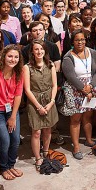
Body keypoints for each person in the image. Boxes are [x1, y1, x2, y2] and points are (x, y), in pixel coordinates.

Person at [61, 29, 96, 159]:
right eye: (77, 40)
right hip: (76, 90)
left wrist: (90, 86)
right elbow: (70, 76)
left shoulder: (93, 53)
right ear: (73, 41)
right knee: (76, 119)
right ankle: (76, 147)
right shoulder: (68, 56)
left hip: (91, 87)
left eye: (82, 39)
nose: (80, 42)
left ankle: (88, 140)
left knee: (88, 116)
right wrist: (83, 89)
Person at [0, 45, 24, 180]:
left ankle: (11, 164)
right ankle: (3, 167)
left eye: (16, 57)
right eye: (10, 56)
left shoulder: (19, 72)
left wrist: (13, 116)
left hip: (11, 110)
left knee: (15, 139)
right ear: (3, 56)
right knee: (5, 140)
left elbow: (18, 95)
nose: (12, 59)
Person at [23, 40, 58, 171]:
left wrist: (51, 102)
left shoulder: (51, 65)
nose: (39, 52)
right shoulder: (27, 67)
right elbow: (27, 89)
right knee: (36, 131)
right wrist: (38, 106)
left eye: (41, 49)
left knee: (48, 128)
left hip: (49, 99)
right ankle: (38, 157)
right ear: (32, 51)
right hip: (34, 101)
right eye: (36, 49)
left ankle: (46, 151)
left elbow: (55, 85)